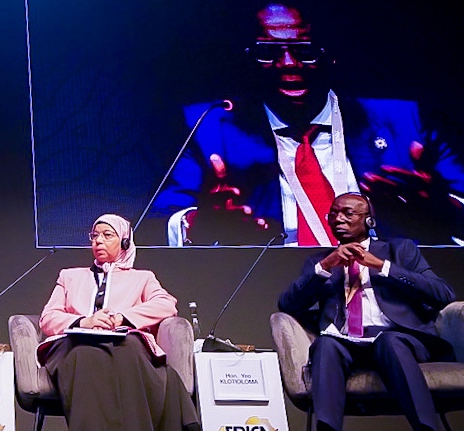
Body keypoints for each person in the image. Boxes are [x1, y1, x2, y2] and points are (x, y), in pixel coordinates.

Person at [156, 2, 464, 247]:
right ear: (248, 59)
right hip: (268, 286)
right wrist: (200, 222)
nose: (288, 63)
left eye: (305, 50)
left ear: (330, 56)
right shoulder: (211, 126)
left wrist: (443, 210)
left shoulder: (404, 121)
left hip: (383, 283)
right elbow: (162, 220)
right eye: (268, 53)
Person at [277, 193, 455, 431]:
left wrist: (382, 267)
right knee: (325, 344)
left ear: (369, 221)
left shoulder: (399, 250)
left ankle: (427, 427)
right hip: (345, 343)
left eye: (347, 214)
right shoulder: (319, 262)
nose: (338, 219)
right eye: (334, 214)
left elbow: (443, 294)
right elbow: (288, 305)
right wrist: (325, 267)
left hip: (397, 338)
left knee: (389, 342)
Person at [37, 214, 200, 431]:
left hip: (122, 343)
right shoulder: (69, 277)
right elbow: (48, 317)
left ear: (124, 242)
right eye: (95, 236)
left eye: (107, 235)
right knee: (83, 353)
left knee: (130, 347)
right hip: (74, 344)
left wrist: (123, 318)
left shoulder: (142, 278)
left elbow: (166, 304)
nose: (98, 241)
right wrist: (85, 322)